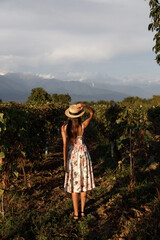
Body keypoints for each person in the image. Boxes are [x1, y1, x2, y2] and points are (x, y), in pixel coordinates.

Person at [61, 103, 95, 220]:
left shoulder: (64, 128)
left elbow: (65, 145)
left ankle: (76, 214)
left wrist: (65, 162)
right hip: (83, 156)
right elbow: (92, 113)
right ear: (79, 115)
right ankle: (83, 212)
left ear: (70, 116)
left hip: (73, 157)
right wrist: (85, 105)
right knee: (83, 184)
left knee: (75, 186)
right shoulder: (83, 125)